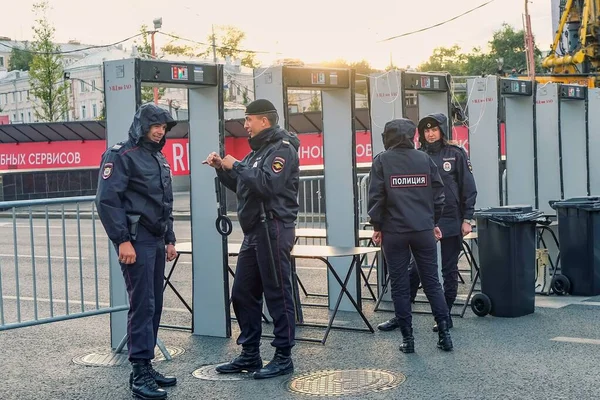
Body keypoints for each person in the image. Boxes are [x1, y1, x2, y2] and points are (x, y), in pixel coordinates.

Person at [205, 99, 301, 379]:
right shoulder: (258, 152)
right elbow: (243, 184)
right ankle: (250, 354)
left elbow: (267, 184)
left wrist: (236, 166)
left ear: (264, 121)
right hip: (254, 231)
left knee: (277, 292)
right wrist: (221, 168)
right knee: (243, 293)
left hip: (273, 227)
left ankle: (283, 356)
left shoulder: (282, 149)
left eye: (249, 119)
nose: (245, 125)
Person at [96, 103, 178, 400]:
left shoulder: (158, 157)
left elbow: (164, 202)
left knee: (153, 304)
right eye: (155, 126)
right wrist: (122, 241)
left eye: (164, 127)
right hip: (136, 239)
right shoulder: (121, 155)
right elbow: (107, 201)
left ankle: (147, 363)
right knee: (142, 304)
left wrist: (170, 238)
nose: (160, 131)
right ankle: (138, 373)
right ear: (141, 125)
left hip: (156, 240)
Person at [368, 118, 453, 353]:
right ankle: (445, 335)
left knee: (400, 285)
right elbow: (439, 193)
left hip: (394, 231)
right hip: (423, 229)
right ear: (411, 135)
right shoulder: (424, 158)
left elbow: (377, 198)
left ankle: (408, 340)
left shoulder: (382, 161)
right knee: (432, 282)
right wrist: (433, 221)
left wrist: (377, 226)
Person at [412, 113, 477, 332]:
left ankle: (445, 316)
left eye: (434, 130)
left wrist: (467, 218)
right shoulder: (417, 155)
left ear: (442, 130)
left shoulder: (456, 154)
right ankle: (404, 314)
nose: (430, 134)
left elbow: (468, 187)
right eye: (426, 131)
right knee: (415, 269)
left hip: (451, 219)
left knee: (449, 270)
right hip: (424, 220)